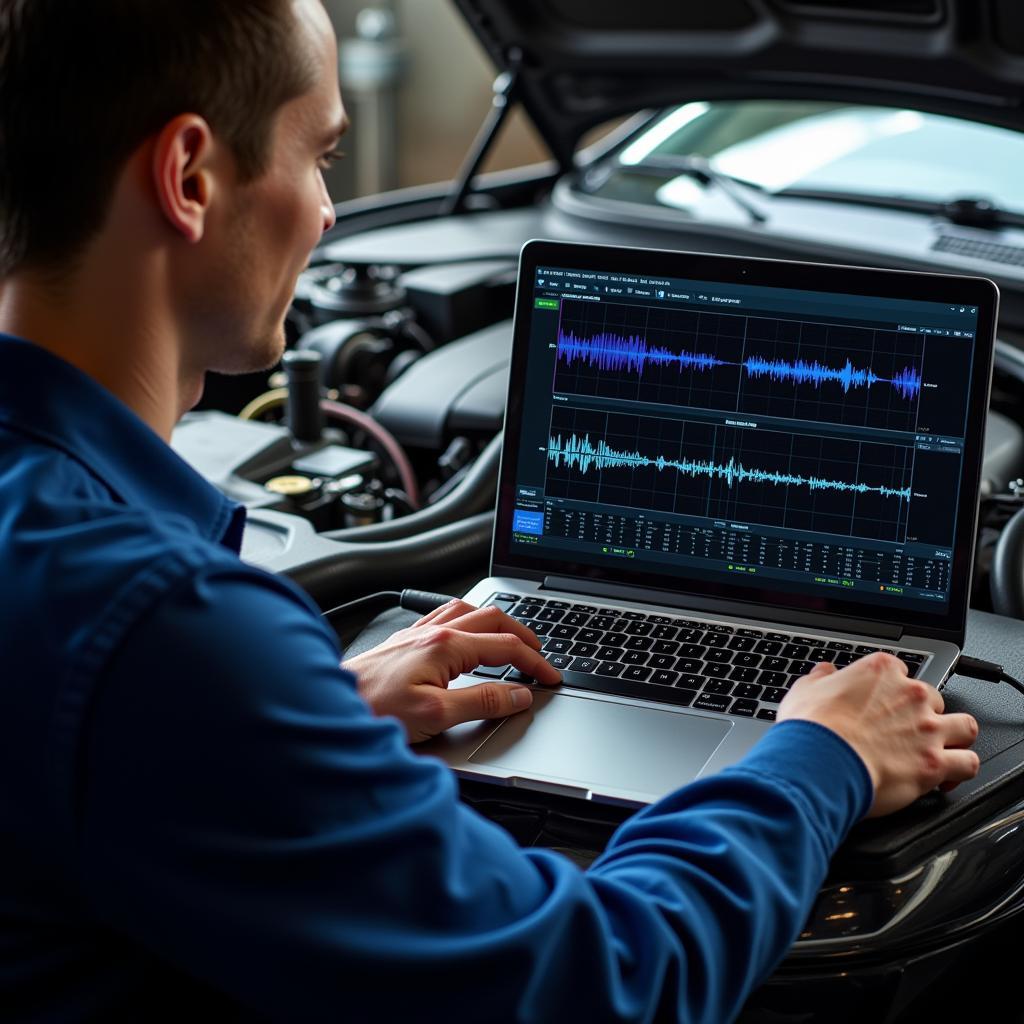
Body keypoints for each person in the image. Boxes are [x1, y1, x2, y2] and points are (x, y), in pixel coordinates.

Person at [0, 1, 980, 1021]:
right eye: (322, 155)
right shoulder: (164, 635)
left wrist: (309, 716)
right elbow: (599, 982)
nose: (329, 212)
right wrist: (820, 755)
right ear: (191, 178)